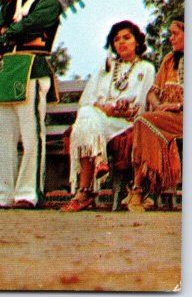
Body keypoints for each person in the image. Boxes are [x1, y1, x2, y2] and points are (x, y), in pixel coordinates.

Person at [0, 0, 88, 208]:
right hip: (7, 72)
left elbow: (33, 24)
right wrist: (5, 36)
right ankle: (3, 194)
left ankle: (28, 193)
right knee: (2, 135)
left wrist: (9, 34)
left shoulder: (50, 2)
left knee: (31, 135)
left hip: (33, 68)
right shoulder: (9, 4)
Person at [60, 21, 155, 212]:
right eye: (116, 39)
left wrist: (120, 110)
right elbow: (88, 100)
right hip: (101, 119)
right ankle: (98, 160)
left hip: (126, 122)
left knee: (85, 123)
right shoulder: (107, 68)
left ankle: (84, 192)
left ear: (137, 41)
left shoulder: (146, 68)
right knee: (86, 115)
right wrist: (105, 108)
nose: (121, 42)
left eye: (126, 38)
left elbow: (143, 106)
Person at [126, 18, 184, 212]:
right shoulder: (169, 60)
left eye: (175, 34)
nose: (171, 38)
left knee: (144, 122)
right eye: (170, 34)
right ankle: (142, 189)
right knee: (144, 122)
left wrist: (176, 104)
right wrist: (160, 107)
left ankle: (139, 190)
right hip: (168, 118)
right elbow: (152, 93)